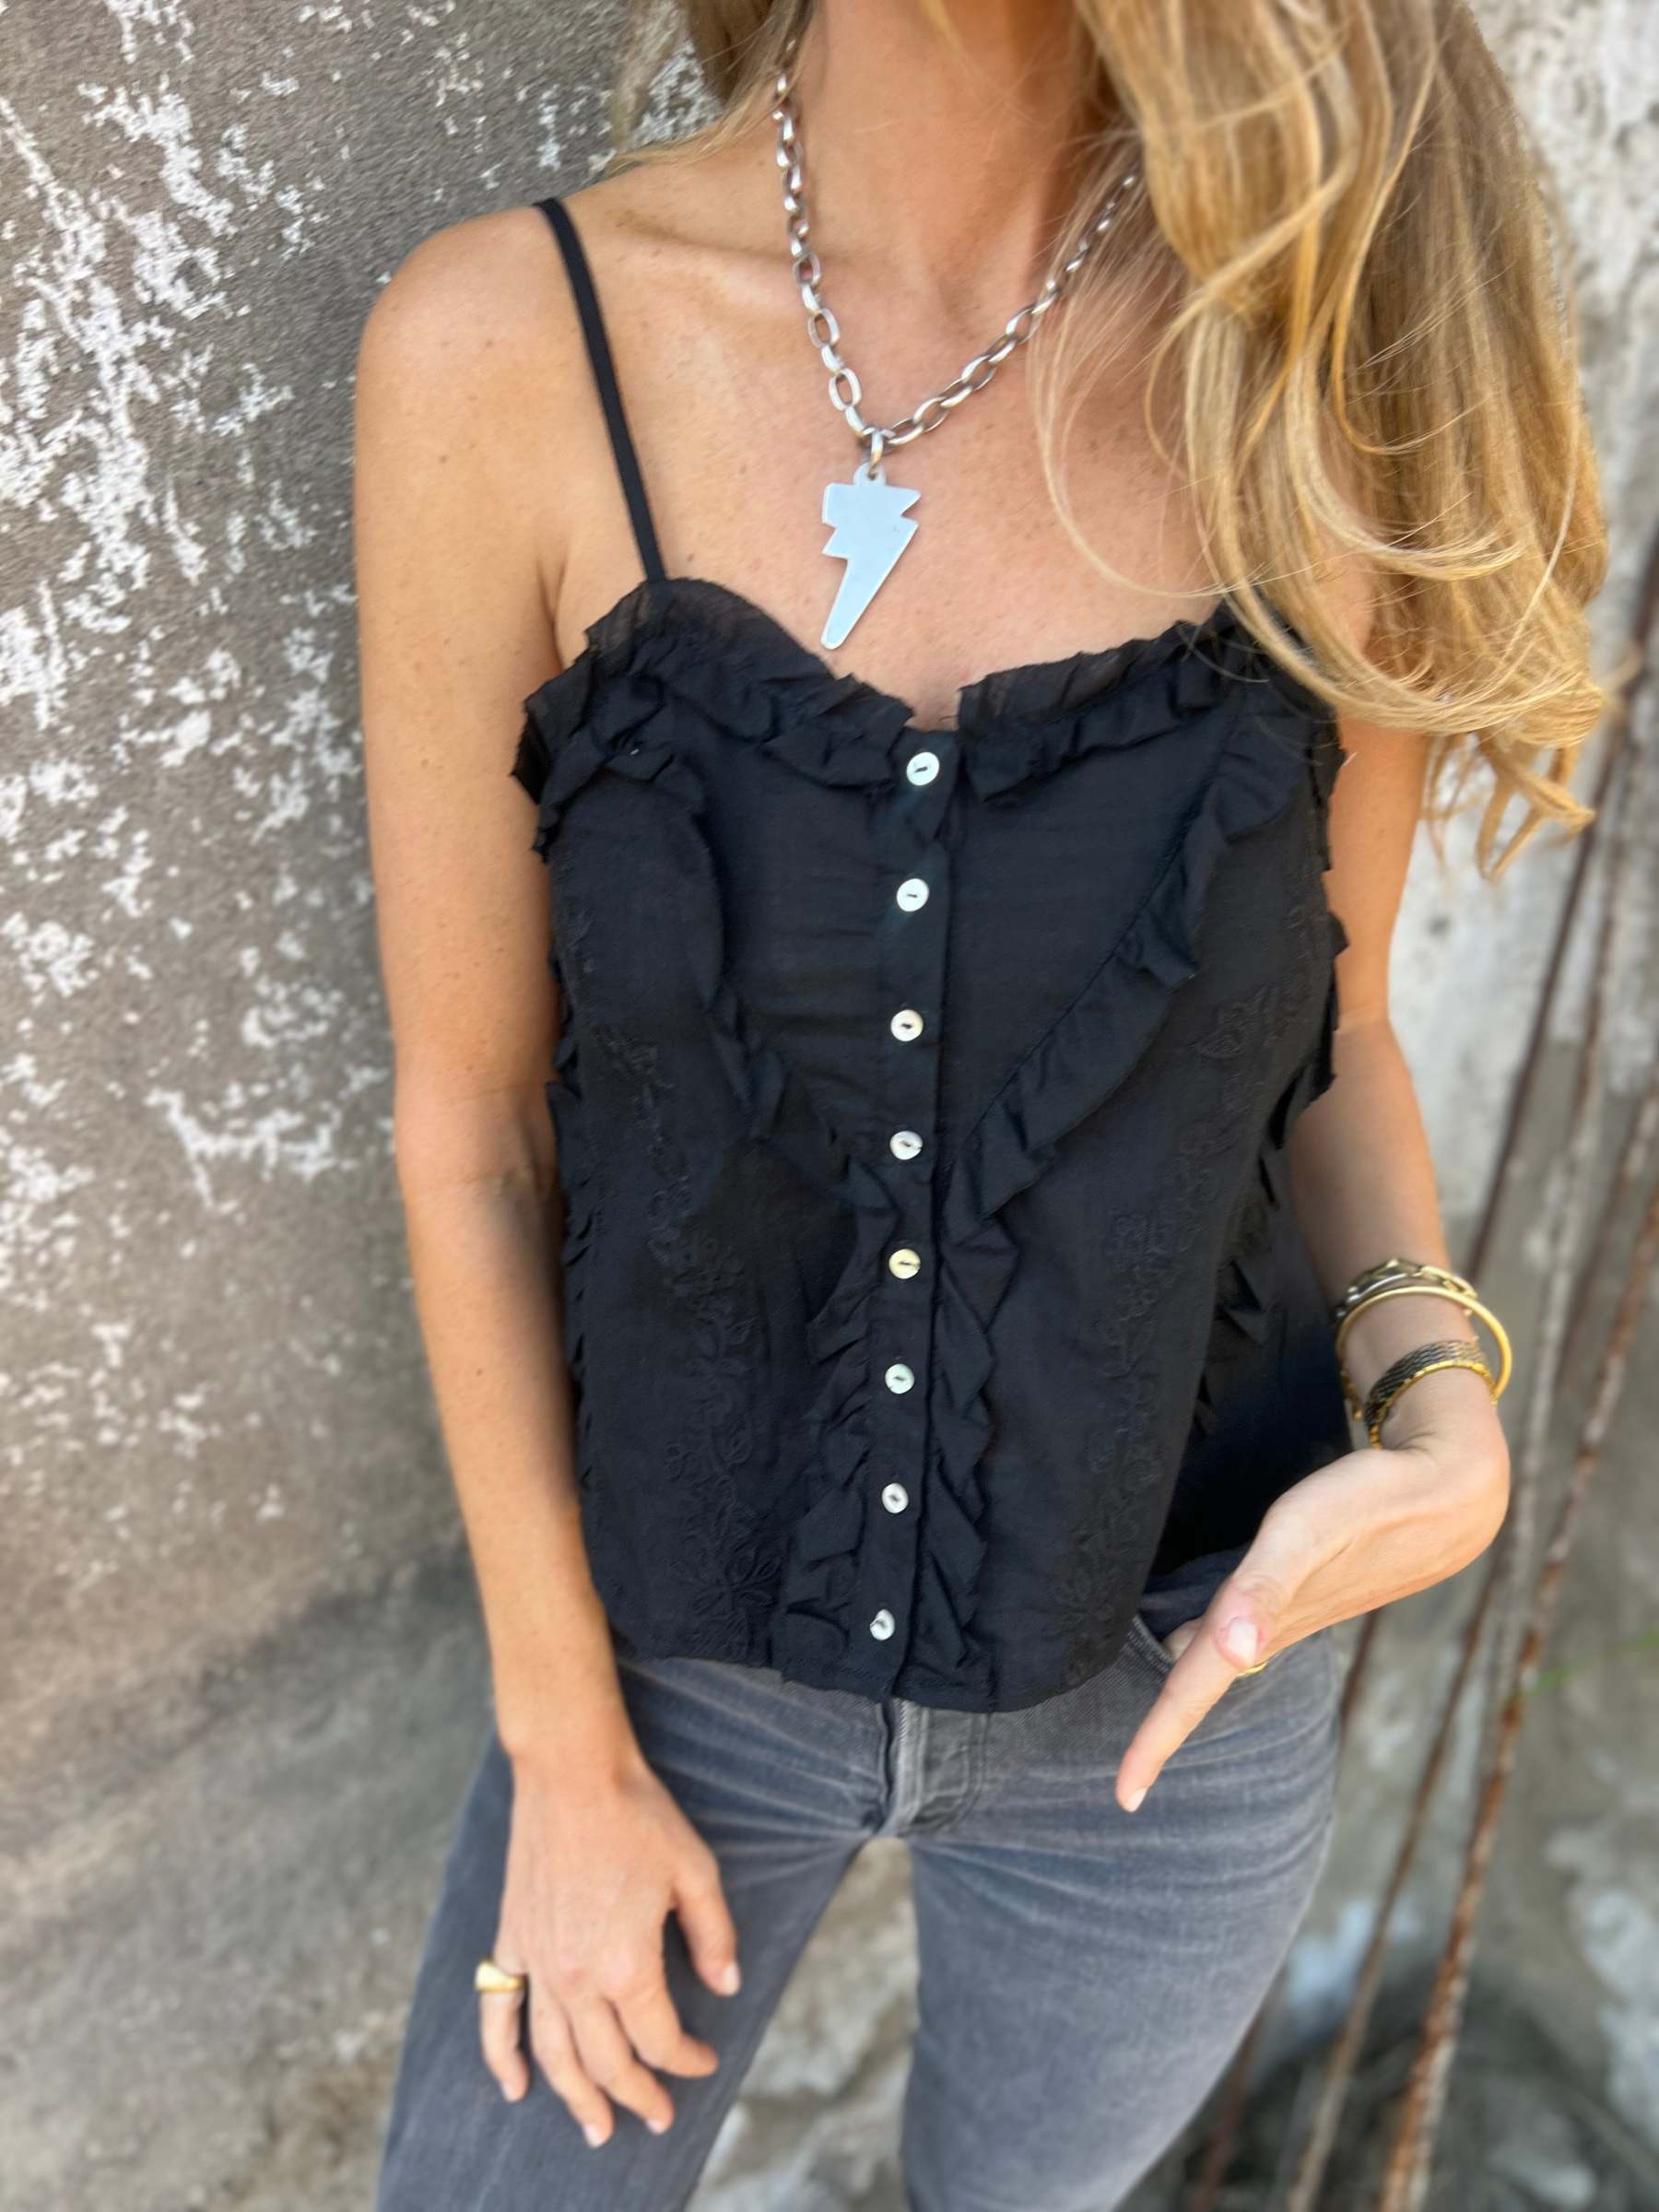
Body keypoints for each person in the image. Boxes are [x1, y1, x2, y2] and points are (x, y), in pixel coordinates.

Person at [353, 2, 1605, 2205]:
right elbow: (474, 1129)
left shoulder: (1326, 396)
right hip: (662, 1684)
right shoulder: (507, 349)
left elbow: (1334, 1044)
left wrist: (1444, 1407)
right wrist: (561, 1748)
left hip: (1172, 1711)